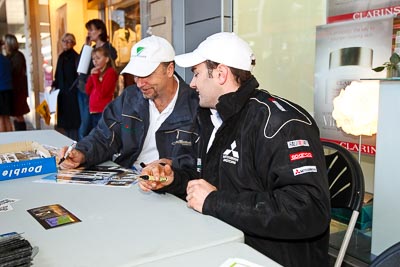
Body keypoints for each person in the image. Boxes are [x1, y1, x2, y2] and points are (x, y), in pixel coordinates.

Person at [139, 32, 331, 267]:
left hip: (269, 258)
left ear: (221, 74)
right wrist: (172, 178)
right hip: (220, 241)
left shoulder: (282, 123)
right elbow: (207, 182)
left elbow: (308, 209)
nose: (192, 83)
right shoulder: (211, 116)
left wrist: (215, 201)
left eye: (197, 74)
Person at [59, 35, 198, 172]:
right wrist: (82, 153)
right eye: (136, 75)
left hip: (169, 186)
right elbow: (104, 135)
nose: (139, 83)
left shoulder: (195, 106)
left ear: (169, 69)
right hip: (129, 176)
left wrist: (169, 172)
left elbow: (195, 164)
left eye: (147, 74)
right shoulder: (130, 97)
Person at [77, 19, 118, 140]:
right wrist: (86, 47)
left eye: (91, 30)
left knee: (90, 128)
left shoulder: (109, 49)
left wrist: (94, 76)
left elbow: (103, 89)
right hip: (86, 89)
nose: (89, 33)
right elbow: (80, 66)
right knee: (85, 126)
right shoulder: (91, 48)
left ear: (100, 31)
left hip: (100, 99)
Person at [52, 33, 81, 141]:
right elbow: (57, 75)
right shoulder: (61, 57)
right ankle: (67, 141)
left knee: (73, 121)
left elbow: (77, 76)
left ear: (73, 43)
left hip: (72, 94)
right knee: (64, 122)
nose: (66, 43)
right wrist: (54, 85)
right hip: (62, 93)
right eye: (64, 41)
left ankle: (74, 143)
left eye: (69, 41)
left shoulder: (75, 57)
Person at [86, 46, 118, 129]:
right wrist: (92, 76)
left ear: (106, 59)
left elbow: (102, 93)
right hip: (93, 110)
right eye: (93, 59)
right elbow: (88, 90)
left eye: (98, 58)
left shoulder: (110, 72)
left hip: (103, 110)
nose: (95, 61)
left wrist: (95, 77)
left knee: (102, 136)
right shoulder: (97, 72)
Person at [4, 34, 30, 131]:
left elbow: (16, 72)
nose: (4, 46)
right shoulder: (10, 56)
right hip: (14, 90)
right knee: (16, 115)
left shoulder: (18, 56)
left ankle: (22, 134)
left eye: (5, 43)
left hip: (18, 91)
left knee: (18, 114)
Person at [0, 39, 13, 132]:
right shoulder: (6, 60)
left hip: (0, 91)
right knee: (7, 118)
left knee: (0, 118)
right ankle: (11, 139)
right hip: (8, 91)